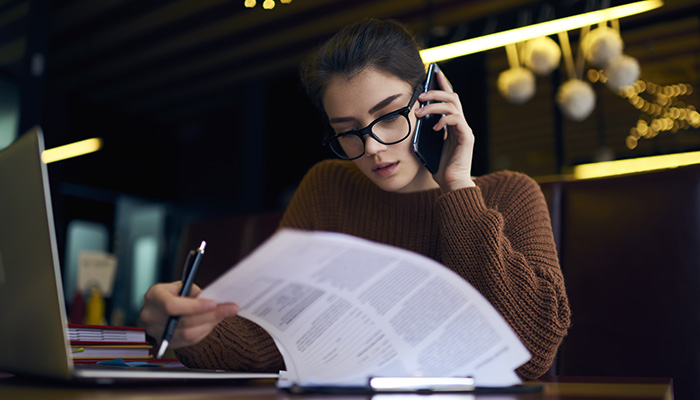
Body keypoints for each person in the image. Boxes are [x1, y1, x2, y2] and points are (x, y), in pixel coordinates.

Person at [140, 18, 570, 380]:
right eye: (347, 131)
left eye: (387, 116)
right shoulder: (328, 186)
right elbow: (277, 337)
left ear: (431, 101)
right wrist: (195, 329)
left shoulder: (510, 194)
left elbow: (532, 354)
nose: (372, 148)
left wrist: (457, 185)